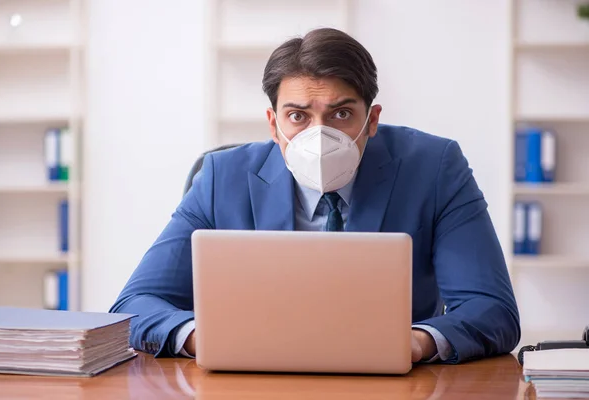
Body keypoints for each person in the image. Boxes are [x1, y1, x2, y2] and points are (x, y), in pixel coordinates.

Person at [110, 27, 520, 364]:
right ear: (273, 125)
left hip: (394, 383)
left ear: (371, 119)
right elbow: (135, 305)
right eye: (298, 116)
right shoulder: (223, 177)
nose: (318, 134)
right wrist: (208, 338)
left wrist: (415, 342)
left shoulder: (434, 168)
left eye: (341, 114)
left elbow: (492, 309)